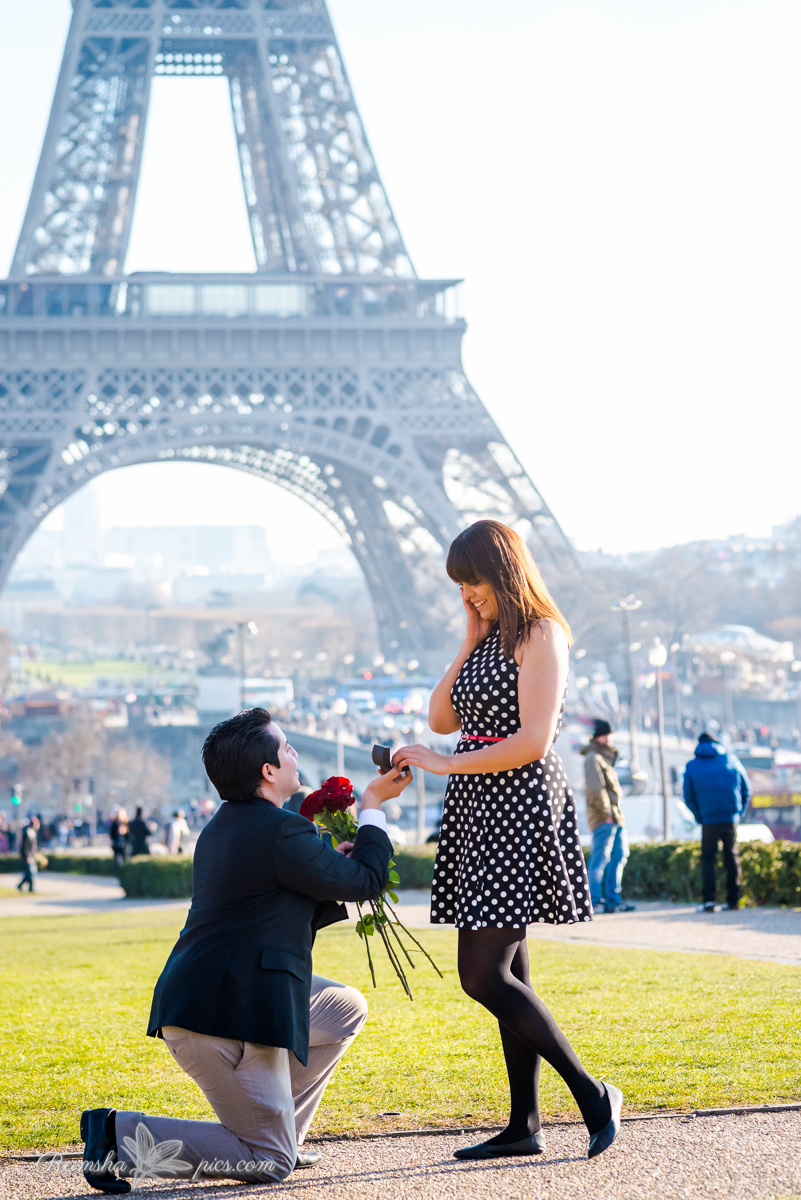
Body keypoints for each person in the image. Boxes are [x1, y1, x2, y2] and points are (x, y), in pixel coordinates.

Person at [80, 707, 409, 1192]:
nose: (296, 752)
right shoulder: (279, 831)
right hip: (226, 1016)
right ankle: (117, 1138)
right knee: (268, 1163)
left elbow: (274, 900)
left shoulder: (228, 827)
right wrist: (373, 805)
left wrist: (326, 868)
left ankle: (279, 1138)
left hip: (230, 996)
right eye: (286, 747)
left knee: (344, 1010)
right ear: (268, 771)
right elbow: (367, 880)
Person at [394, 520, 622, 1162]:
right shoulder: (489, 636)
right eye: (460, 586)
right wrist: (468, 638)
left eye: (476, 582)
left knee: (483, 974)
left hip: (517, 807)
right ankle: (524, 1125)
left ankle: (592, 1094)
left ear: (505, 571)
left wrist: (443, 764)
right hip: (479, 809)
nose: (468, 594)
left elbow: (533, 742)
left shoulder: (542, 635)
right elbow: (441, 717)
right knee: (510, 969)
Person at [683, 731, 751, 912]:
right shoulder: (732, 760)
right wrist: (737, 813)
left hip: (708, 821)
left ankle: (709, 901)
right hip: (730, 818)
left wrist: (700, 817)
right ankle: (734, 901)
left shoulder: (692, 765)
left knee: (708, 860)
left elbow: (688, 796)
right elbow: (746, 789)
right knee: (732, 857)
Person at [582, 719, 635, 915]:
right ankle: (595, 901)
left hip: (616, 816)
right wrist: (606, 814)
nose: (610, 738)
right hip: (605, 817)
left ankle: (614, 900)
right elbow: (596, 790)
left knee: (619, 856)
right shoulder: (593, 758)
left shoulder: (604, 757)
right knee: (600, 858)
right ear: (600, 736)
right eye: (607, 734)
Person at [17, 815, 40, 893]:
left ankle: (27, 887)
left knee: (29, 872)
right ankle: (30, 888)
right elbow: (26, 846)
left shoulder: (32, 831)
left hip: (31, 855)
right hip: (28, 856)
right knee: (31, 872)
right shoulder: (29, 832)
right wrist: (28, 856)